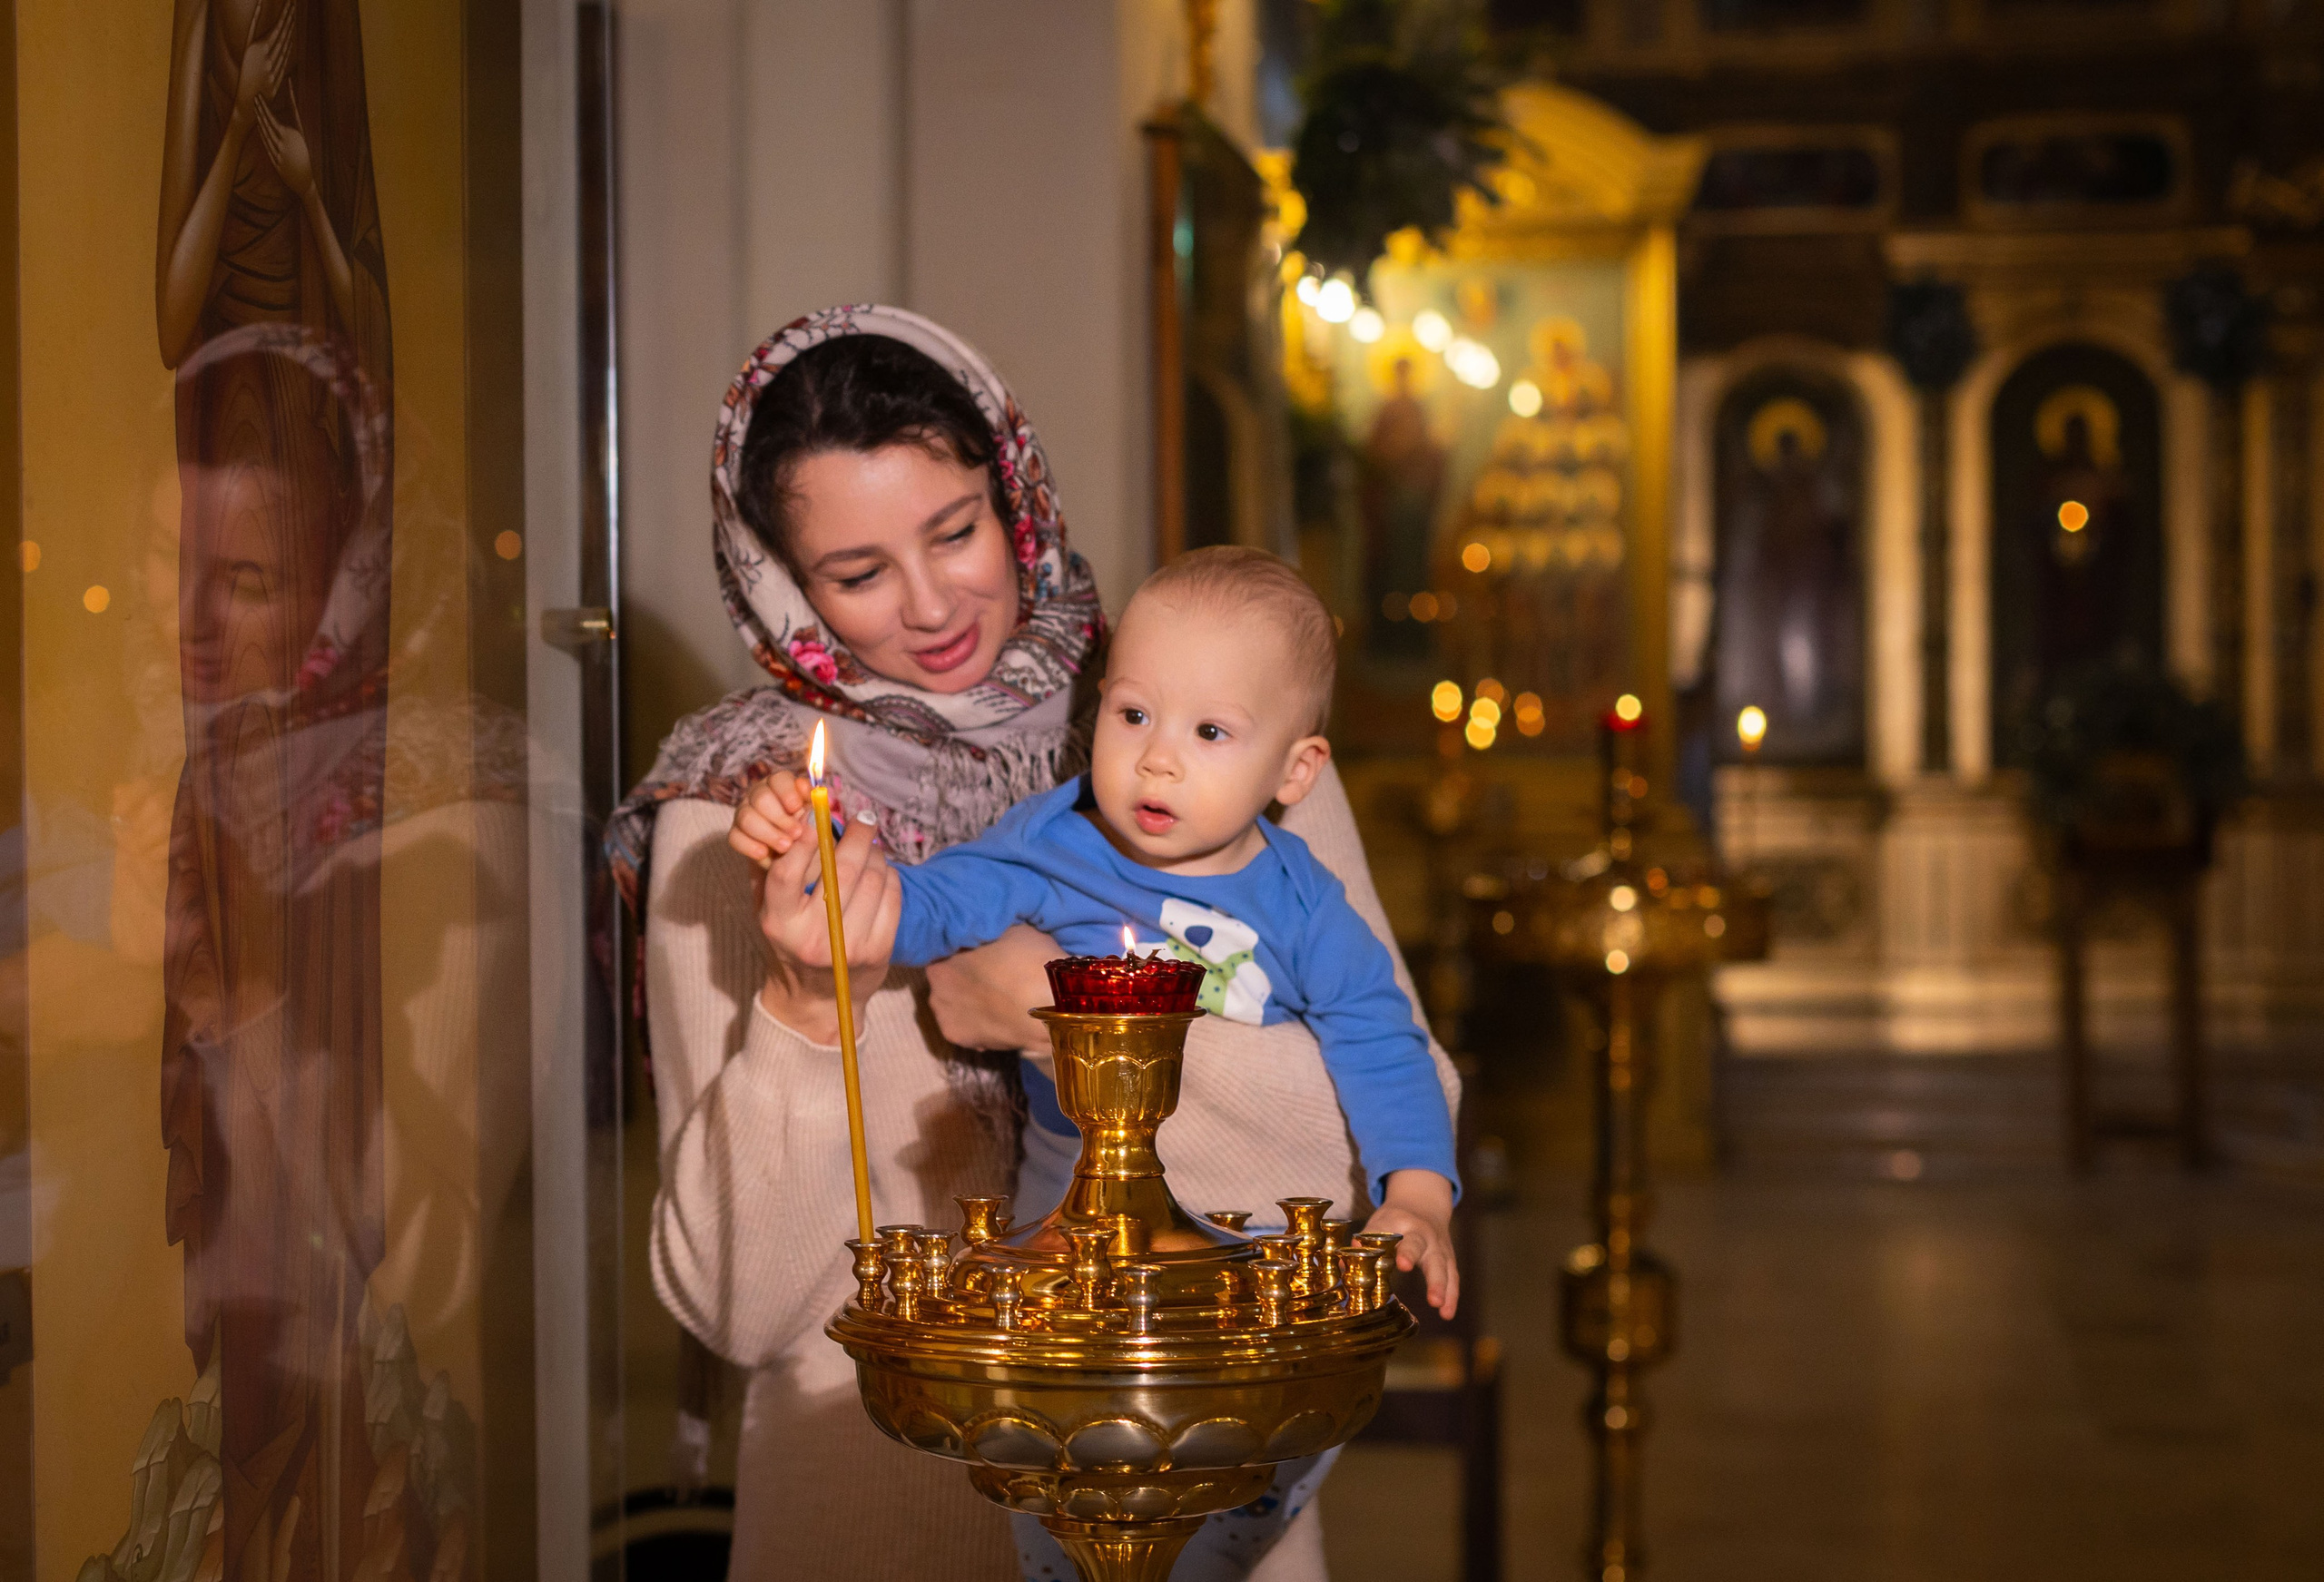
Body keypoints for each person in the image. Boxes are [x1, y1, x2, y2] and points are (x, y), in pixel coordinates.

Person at [608, 305, 1459, 1581]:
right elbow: (740, 1301)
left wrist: (1067, 1011)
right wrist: (802, 995)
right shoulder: (747, 816)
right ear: (781, 580)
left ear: (1014, 492)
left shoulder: (1209, 731)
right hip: (878, 1526)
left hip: (1201, 1499)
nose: (934, 601)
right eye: (857, 572)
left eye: (957, 531)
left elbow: (1393, 1120)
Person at [732, 548, 1461, 1310]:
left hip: (1253, 1258)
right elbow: (924, 910)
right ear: (1102, 700)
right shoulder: (1052, 845)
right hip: (1071, 1245)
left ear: (1296, 771)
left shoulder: (1304, 902)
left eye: (1210, 731)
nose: (1157, 760)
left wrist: (1417, 1196)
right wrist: (819, 854)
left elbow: (1384, 1047)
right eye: (1134, 714)